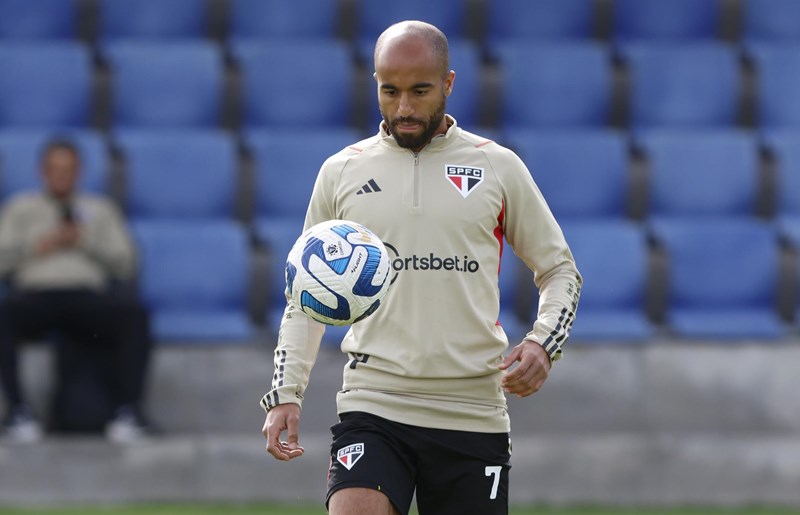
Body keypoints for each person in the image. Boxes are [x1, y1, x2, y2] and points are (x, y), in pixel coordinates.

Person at [260, 21, 582, 515]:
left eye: (420, 91)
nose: (405, 108)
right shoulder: (341, 171)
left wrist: (543, 342)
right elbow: (307, 296)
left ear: (449, 84)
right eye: (390, 91)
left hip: (473, 410)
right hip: (374, 402)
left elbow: (560, 270)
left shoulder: (497, 166)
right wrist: (286, 393)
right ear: (375, 85)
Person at [0, 138, 152, 444]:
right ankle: (17, 412)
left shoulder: (100, 209)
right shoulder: (20, 208)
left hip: (86, 298)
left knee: (135, 317)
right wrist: (38, 246)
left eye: (68, 170)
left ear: (79, 172)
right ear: (42, 171)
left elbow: (126, 264)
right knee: (3, 315)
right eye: (55, 169)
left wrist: (85, 242)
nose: (61, 176)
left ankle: (128, 412)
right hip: (36, 296)